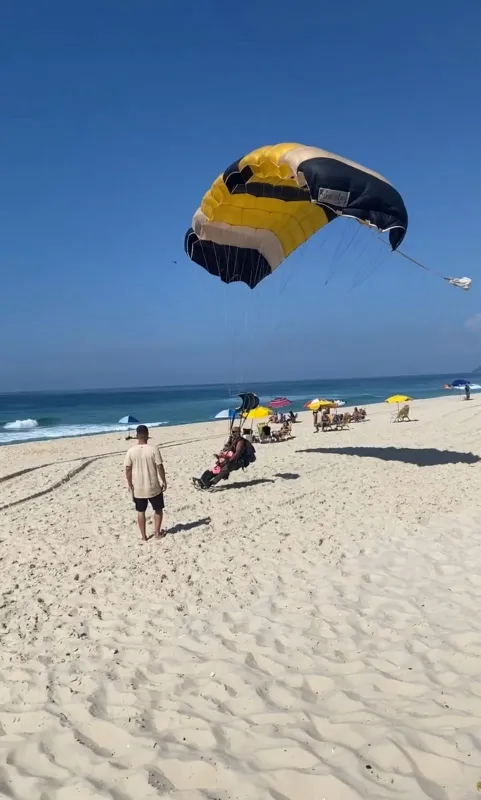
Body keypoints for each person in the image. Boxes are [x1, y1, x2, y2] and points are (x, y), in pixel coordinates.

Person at [124, 425, 167, 543]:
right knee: (158, 509)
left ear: (136, 436)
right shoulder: (154, 449)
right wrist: (164, 480)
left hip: (138, 488)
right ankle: (157, 533)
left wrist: (129, 483)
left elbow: (128, 469)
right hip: (153, 486)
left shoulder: (131, 451)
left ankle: (144, 536)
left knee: (140, 511)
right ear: (147, 435)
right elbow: (159, 466)